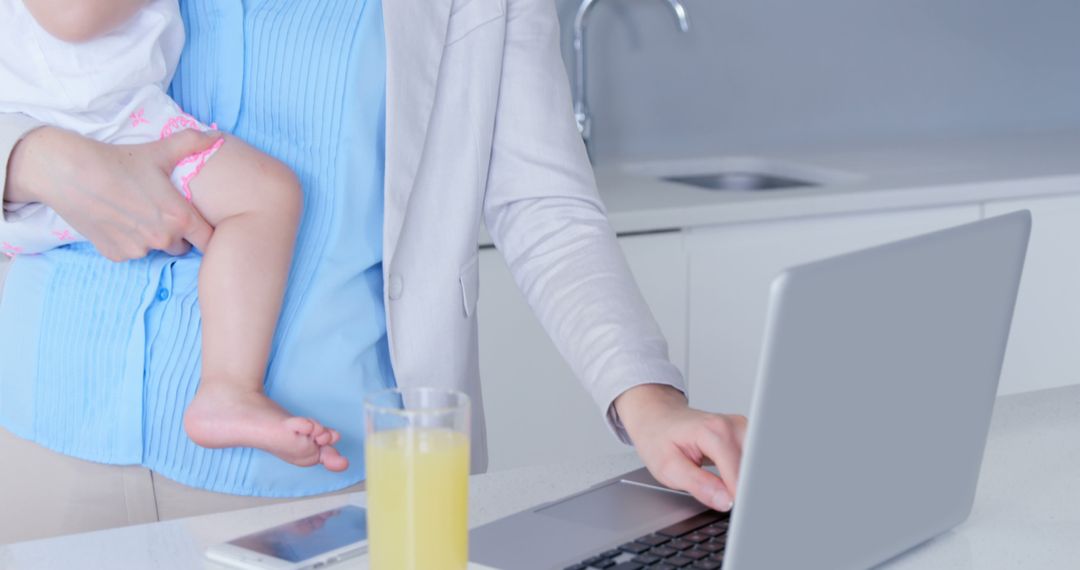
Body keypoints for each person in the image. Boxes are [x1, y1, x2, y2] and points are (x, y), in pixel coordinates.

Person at [0, 0, 748, 545]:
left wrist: (646, 399)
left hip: (322, 480)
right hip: (41, 429)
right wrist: (31, 160)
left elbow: (541, 199)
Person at [0, 0, 350, 473]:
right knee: (265, 195)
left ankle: (228, 393)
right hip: (98, 122)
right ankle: (228, 390)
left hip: (96, 120)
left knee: (262, 195)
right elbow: (72, 16)